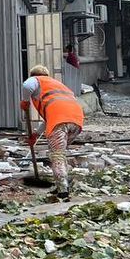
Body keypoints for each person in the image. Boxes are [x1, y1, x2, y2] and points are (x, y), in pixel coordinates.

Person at [21, 65, 84, 197]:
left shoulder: (36, 79)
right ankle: (62, 185)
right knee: (60, 154)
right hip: (76, 121)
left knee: (56, 156)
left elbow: (27, 86)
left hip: (60, 122)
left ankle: (62, 191)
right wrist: (36, 135)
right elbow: (49, 119)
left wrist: (25, 101)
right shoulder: (56, 85)